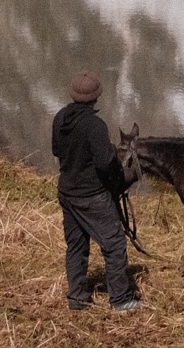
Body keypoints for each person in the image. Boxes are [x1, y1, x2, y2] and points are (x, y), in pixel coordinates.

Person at [51, 70, 140, 312]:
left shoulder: (60, 118)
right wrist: (111, 152)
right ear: (96, 97)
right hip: (92, 196)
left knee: (77, 246)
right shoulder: (95, 125)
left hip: (67, 193)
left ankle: (77, 298)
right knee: (114, 244)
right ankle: (120, 299)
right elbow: (104, 163)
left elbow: (57, 152)